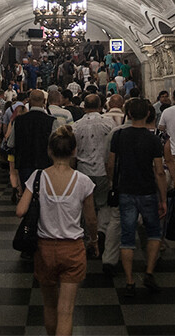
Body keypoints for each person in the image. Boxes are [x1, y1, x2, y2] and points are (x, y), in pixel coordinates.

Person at [17, 127, 97, 336]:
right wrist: (94, 240)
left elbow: (20, 211)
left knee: (50, 306)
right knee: (66, 310)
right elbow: (90, 219)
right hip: (72, 248)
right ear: (74, 151)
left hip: (44, 248)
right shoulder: (83, 181)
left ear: (49, 151)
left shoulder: (37, 177)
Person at [107, 97, 168, 296]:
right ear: (149, 114)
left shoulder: (119, 135)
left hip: (125, 189)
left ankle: (130, 280)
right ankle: (149, 272)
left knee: (127, 236)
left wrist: (112, 182)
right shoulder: (152, 139)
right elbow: (159, 171)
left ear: (129, 114)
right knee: (153, 233)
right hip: (148, 190)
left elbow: (111, 163)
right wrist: (164, 198)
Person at [73, 93, 114, 258]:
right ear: (100, 106)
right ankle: (102, 231)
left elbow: (72, 152)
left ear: (84, 107)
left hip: (84, 171)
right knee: (103, 204)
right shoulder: (109, 123)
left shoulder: (76, 125)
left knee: (86, 204)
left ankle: (90, 237)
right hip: (103, 170)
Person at [7, 89, 61, 194]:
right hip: (45, 164)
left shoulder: (19, 121)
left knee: (27, 194)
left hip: (24, 164)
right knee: (44, 195)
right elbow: (57, 145)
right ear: (44, 101)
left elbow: (11, 143)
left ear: (30, 101)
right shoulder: (52, 121)